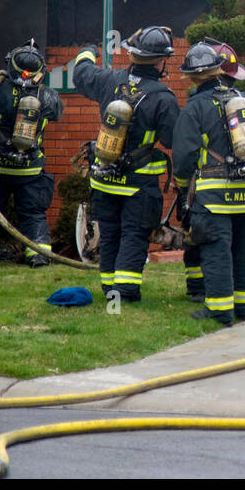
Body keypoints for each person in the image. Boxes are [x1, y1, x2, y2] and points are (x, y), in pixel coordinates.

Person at [72, 26, 180, 301]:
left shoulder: (109, 80)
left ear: (133, 55)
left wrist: (88, 50)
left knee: (109, 233)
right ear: (160, 61)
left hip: (104, 176)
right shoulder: (163, 96)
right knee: (134, 233)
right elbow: (170, 140)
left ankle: (110, 289)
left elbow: (81, 73)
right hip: (138, 183)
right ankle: (126, 291)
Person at [172, 41, 245, 326]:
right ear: (219, 69)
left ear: (191, 77)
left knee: (216, 249)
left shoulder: (194, 108)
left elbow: (184, 157)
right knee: (243, 250)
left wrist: (183, 189)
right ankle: (243, 308)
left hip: (215, 197)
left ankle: (219, 311)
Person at [0, 41, 64, 267]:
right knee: (33, 215)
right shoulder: (47, 96)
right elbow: (56, 113)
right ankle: (38, 256)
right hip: (30, 169)